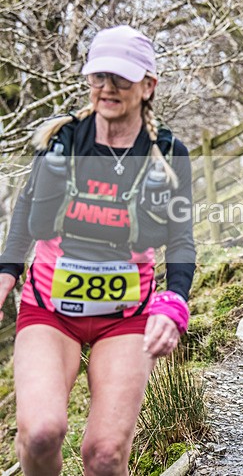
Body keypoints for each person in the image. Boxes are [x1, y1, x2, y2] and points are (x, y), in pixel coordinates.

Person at [0, 25, 195, 475]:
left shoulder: (167, 153)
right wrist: (8, 269)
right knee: (41, 432)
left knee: (104, 455)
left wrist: (175, 302)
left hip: (127, 316)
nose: (108, 88)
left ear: (148, 85)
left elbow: (181, 238)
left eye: (122, 78)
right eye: (99, 76)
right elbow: (26, 208)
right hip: (49, 309)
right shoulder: (60, 140)